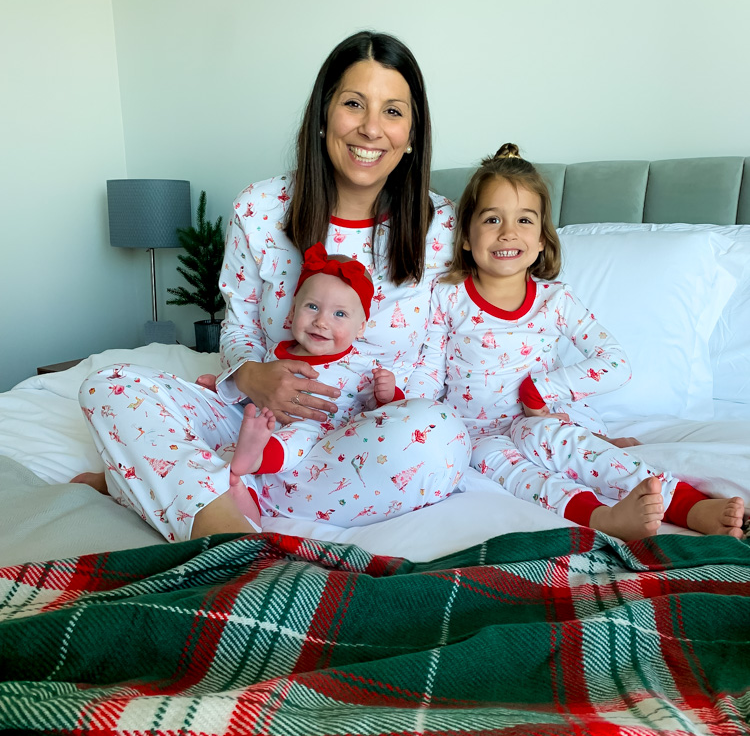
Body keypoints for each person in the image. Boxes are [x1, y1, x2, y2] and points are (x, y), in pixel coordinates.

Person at [76, 31, 469, 541]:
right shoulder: (260, 208)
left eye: (393, 111)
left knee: (440, 439)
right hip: (255, 419)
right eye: (354, 104)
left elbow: (435, 361)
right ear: (324, 114)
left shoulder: (441, 224)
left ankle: (181, 486)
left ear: (413, 131)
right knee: (107, 387)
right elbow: (237, 330)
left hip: (370, 434)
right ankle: (223, 529)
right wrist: (251, 376)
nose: (371, 129)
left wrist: (388, 401)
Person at [409, 143, 746, 542]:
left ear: (540, 242)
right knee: (510, 470)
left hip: (540, 420)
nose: (508, 232)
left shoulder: (555, 301)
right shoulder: (448, 297)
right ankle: (602, 517)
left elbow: (614, 362)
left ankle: (688, 506)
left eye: (524, 220)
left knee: (560, 443)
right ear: (465, 236)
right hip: (473, 431)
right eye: (492, 219)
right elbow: (428, 371)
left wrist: (542, 389)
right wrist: (403, 404)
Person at [197, 243, 405, 529]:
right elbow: (254, 394)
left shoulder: (362, 368)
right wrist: (221, 389)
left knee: (299, 434)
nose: (321, 321)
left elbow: (388, 415)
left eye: (340, 314)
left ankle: (254, 458)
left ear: (361, 327)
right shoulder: (275, 356)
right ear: (292, 312)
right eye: (312, 307)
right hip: (266, 426)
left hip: (320, 435)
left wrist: (388, 392)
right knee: (228, 455)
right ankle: (245, 502)